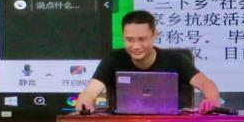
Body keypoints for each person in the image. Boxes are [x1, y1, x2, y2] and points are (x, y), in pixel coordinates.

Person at [75, 10, 221, 114]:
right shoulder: (113, 59)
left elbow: (207, 84)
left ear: (154, 35)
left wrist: (211, 100)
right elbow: (90, 91)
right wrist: (85, 100)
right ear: (123, 37)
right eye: (129, 40)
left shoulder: (175, 59)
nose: (136, 46)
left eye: (142, 39)